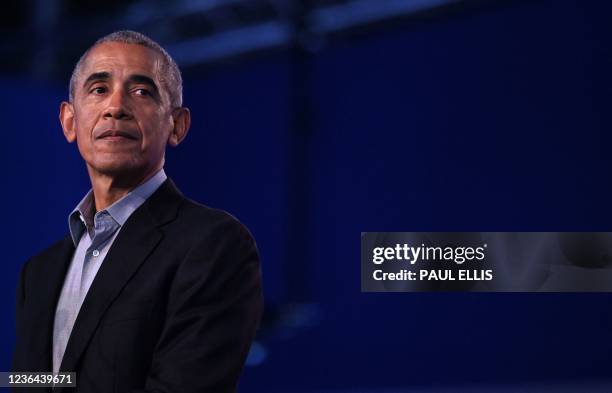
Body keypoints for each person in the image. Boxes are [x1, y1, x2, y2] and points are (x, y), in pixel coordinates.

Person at [12, 30, 263, 393]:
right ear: (69, 121)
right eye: (98, 89)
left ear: (177, 125)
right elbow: (31, 383)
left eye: (142, 92)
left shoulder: (212, 245)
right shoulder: (38, 273)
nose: (116, 106)